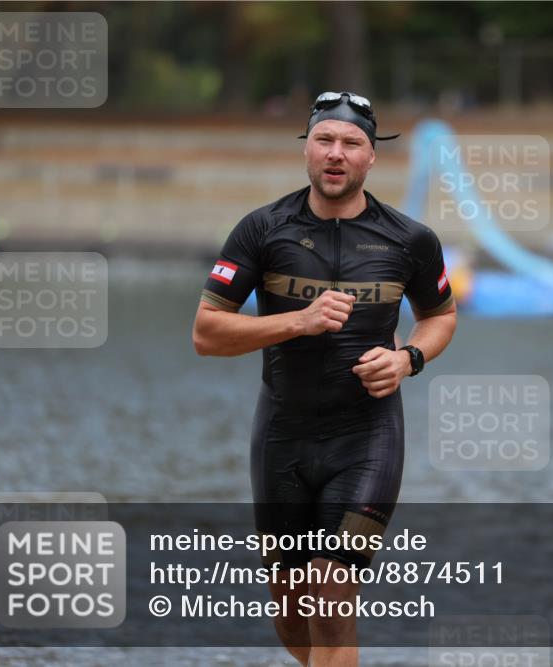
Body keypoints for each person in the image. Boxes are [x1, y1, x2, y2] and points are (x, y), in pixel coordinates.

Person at [192, 91, 457, 667]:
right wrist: (299, 321)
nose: (336, 153)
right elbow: (207, 333)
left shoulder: (410, 239)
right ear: (307, 149)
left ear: (371, 157)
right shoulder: (262, 230)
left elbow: (441, 316)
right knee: (293, 609)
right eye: (325, 140)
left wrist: (408, 359)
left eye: (351, 143)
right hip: (283, 436)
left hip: (367, 438)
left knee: (332, 595)